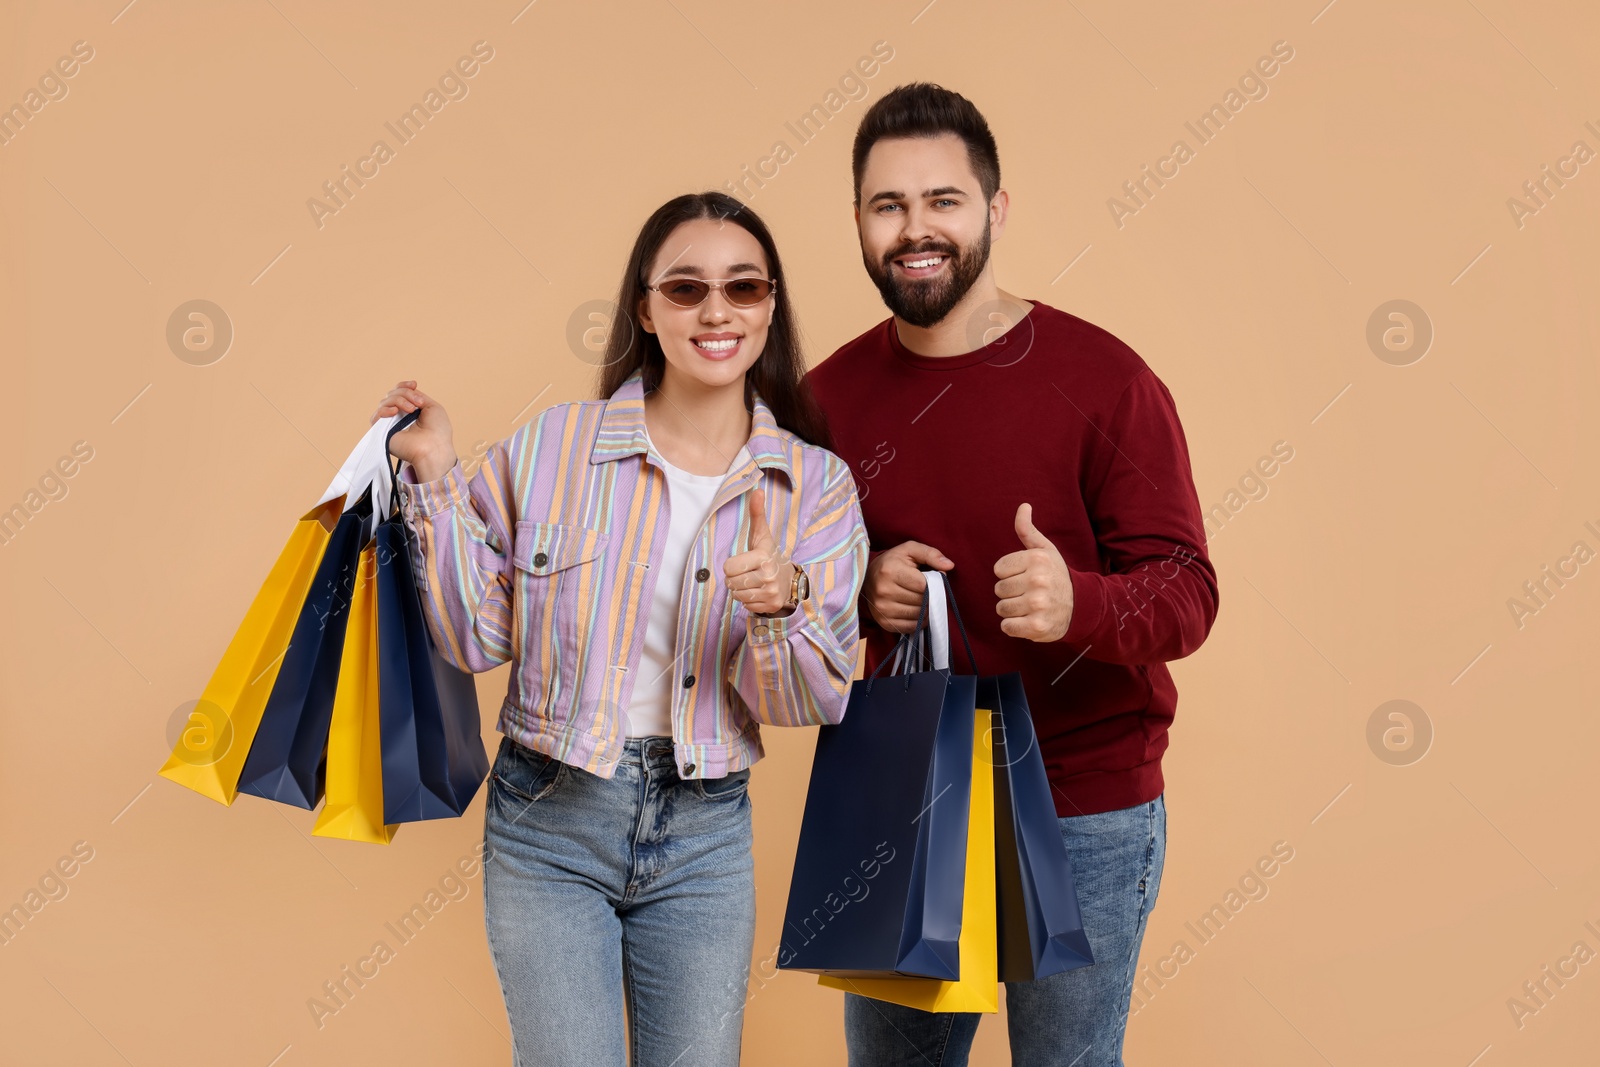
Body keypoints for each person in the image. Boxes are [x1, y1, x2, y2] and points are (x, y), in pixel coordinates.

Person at [372, 191, 870, 1067]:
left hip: (705, 834)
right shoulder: (554, 448)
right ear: (645, 307)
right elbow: (473, 639)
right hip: (549, 818)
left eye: (743, 288)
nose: (716, 311)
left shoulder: (814, 486)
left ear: (770, 305)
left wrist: (779, 605)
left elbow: (811, 701)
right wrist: (439, 476)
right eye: (685, 289)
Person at [804, 83, 1221, 1067]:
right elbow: (782, 587)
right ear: (859, 225)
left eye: (942, 200)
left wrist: (1082, 599)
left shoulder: (1106, 379)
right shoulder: (825, 397)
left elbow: (1187, 589)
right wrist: (860, 586)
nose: (916, 229)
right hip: (905, 790)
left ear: (994, 209)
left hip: (1084, 800)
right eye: (887, 205)